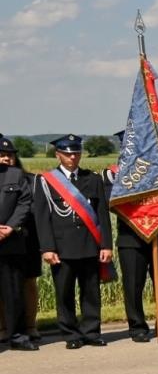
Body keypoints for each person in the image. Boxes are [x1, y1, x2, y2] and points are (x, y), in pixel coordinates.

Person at [32, 135, 114, 348]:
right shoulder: (46, 181)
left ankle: (92, 332)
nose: (72, 157)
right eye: (67, 153)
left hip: (89, 244)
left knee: (91, 292)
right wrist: (48, 248)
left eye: (76, 153)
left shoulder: (92, 179)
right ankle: (70, 334)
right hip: (62, 247)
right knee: (64, 293)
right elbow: (42, 217)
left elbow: (102, 215)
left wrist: (106, 245)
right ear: (58, 154)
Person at [105, 130, 158, 342]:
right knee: (133, 285)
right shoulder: (112, 175)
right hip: (131, 237)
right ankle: (137, 326)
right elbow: (113, 203)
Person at [0, 137, 41, 344]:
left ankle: (26, 327)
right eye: (2, 155)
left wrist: (12, 226)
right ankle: (4, 327)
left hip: (24, 239)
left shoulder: (28, 179)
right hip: (7, 239)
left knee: (22, 286)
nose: (6, 158)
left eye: (10, 155)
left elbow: (31, 206)